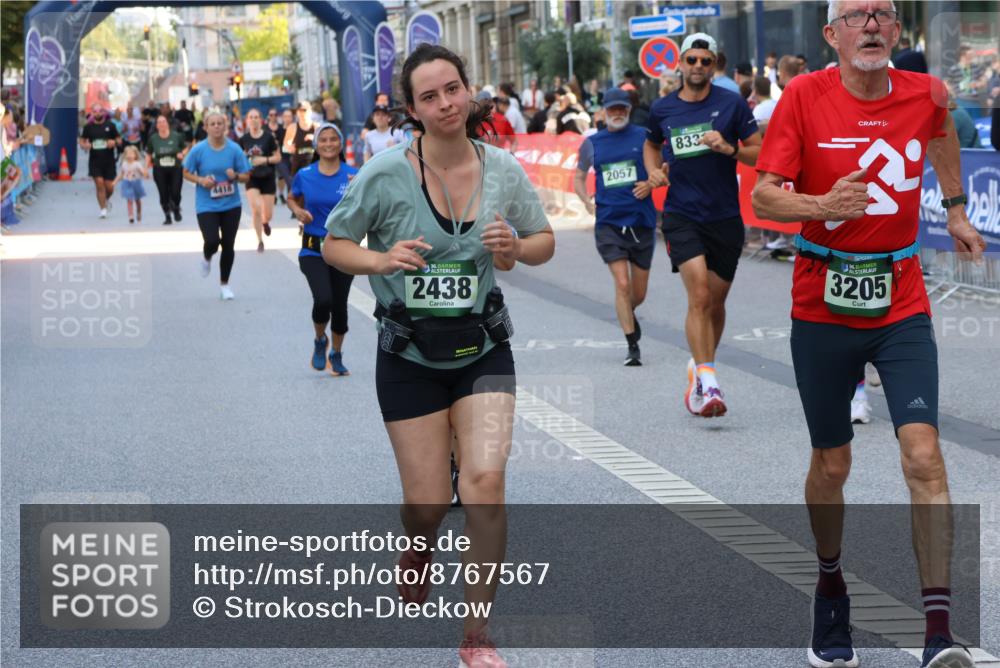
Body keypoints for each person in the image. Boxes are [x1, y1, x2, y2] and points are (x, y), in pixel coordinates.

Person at [751, 2, 986, 667]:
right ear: (832, 35)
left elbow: (942, 130)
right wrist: (821, 205)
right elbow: (765, 196)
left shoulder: (925, 93)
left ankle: (938, 633)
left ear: (898, 30)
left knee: (924, 455)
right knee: (833, 463)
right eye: (857, 15)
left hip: (900, 301)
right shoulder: (803, 96)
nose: (873, 24)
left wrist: (957, 208)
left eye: (883, 12)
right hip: (822, 302)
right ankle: (830, 586)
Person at [323, 43, 554, 668]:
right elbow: (334, 244)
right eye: (430, 96)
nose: (446, 103)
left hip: (483, 348)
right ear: (412, 109)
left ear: (468, 90)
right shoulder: (384, 173)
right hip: (409, 356)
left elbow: (542, 240)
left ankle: (476, 636)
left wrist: (514, 249)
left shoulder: (502, 168)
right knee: (426, 503)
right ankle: (419, 544)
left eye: (453, 88)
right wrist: (380, 260)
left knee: (485, 483)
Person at [643, 32, 762, 417]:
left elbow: (759, 151)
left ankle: (700, 364)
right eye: (691, 60)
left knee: (715, 301)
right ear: (680, 63)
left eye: (705, 61)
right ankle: (708, 381)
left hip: (724, 216)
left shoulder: (731, 104)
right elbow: (651, 144)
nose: (697, 66)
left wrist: (729, 148)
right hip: (682, 215)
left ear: (714, 66)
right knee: (698, 294)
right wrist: (653, 171)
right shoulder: (662, 108)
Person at [574, 88, 657, 366]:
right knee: (622, 283)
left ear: (629, 110)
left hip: (641, 222)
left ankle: (627, 313)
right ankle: (632, 345)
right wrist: (586, 200)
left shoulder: (644, 137)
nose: (618, 113)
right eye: (613, 109)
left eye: (622, 108)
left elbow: (664, 167)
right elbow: (579, 176)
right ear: (604, 111)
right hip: (609, 224)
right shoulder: (592, 143)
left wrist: (651, 183)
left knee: (638, 294)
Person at [288, 122, 357, 375]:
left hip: (343, 248)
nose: (328, 144)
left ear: (340, 144)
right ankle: (320, 339)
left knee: (339, 305)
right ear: (316, 145)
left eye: (333, 139)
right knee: (323, 299)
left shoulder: (354, 175)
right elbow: (292, 197)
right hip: (312, 249)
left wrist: (358, 190)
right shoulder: (305, 174)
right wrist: (298, 211)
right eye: (323, 139)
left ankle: (336, 354)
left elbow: (367, 207)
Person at [182, 111, 252, 301]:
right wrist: (201, 180)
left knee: (228, 245)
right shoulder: (199, 150)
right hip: (207, 205)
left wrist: (235, 176)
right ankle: (207, 257)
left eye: (220, 123)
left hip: (231, 205)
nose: (216, 127)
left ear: (225, 126)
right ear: (206, 127)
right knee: (212, 241)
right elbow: (186, 171)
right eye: (212, 124)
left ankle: (224, 285)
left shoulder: (234, 149)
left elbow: (246, 176)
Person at [239, 108, 280, 252]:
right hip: (252, 178)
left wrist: (264, 160)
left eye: (256, 117)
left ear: (261, 120)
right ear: (247, 120)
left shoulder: (268, 137)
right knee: (256, 208)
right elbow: (237, 157)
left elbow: (278, 157)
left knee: (268, 214)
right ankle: (260, 240)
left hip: (268, 176)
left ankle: (265, 222)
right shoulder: (243, 139)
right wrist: (243, 161)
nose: (253, 119)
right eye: (251, 117)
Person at [79, 102, 121, 219]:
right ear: (92, 113)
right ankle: (103, 209)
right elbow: (81, 141)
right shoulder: (88, 127)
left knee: (110, 187)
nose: (97, 113)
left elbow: (119, 140)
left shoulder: (110, 126)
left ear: (103, 112)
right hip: (95, 161)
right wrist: (84, 145)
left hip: (109, 161)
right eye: (95, 111)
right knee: (99, 184)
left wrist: (114, 142)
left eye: (99, 111)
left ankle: (105, 200)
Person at [145, 114, 187, 225]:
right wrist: (145, 168)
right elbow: (148, 154)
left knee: (175, 192)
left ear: (167, 124)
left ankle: (176, 208)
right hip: (159, 169)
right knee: (163, 193)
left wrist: (182, 154)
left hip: (175, 168)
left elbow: (185, 148)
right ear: (157, 126)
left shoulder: (176, 136)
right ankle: (167, 216)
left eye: (164, 121)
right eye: (159, 122)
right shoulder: (153, 139)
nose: (162, 124)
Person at [113, 145, 147, 224]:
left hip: (136, 183)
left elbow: (143, 172)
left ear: (135, 155)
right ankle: (130, 216)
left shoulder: (137, 164)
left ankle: (138, 212)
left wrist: (144, 173)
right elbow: (121, 174)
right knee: (129, 200)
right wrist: (115, 182)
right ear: (125, 155)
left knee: (137, 200)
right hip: (127, 183)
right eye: (127, 154)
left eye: (131, 154)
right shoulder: (124, 164)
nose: (129, 156)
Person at [284, 101, 317, 177]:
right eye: (299, 111)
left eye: (304, 110)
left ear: (310, 111)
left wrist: (314, 138)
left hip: (313, 163)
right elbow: (286, 142)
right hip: (298, 163)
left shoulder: (316, 127)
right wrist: (289, 146)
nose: (301, 113)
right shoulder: (292, 127)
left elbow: (324, 144)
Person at [276, 108, 294, 204]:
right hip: (282, 159)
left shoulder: (295, 128)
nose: (287, 118)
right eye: (285, 116)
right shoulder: (279, 130)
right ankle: (284, 196)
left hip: (293, 158)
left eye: (289, 116)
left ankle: (291, 199)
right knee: (287, 179)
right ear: (282, 118)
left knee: (291, 179)